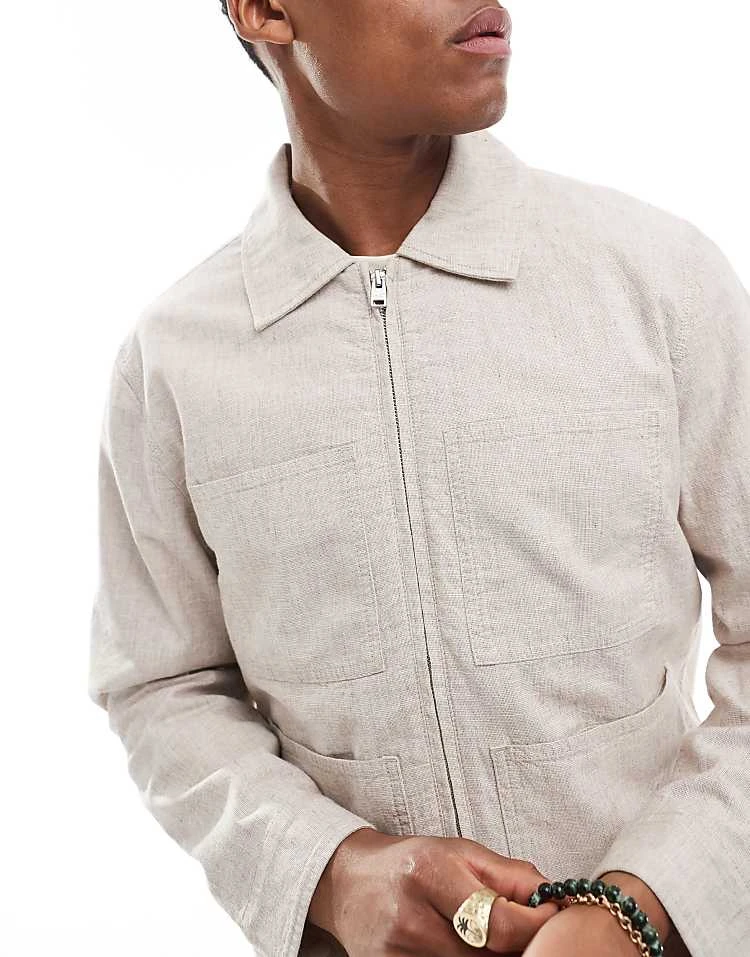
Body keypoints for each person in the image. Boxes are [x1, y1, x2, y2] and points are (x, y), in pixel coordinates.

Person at [87, 2, 748, 956]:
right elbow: (163, 683)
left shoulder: (656, 282)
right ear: (264, 10)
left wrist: (642, 906)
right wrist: (333, 869)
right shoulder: (174, 362)